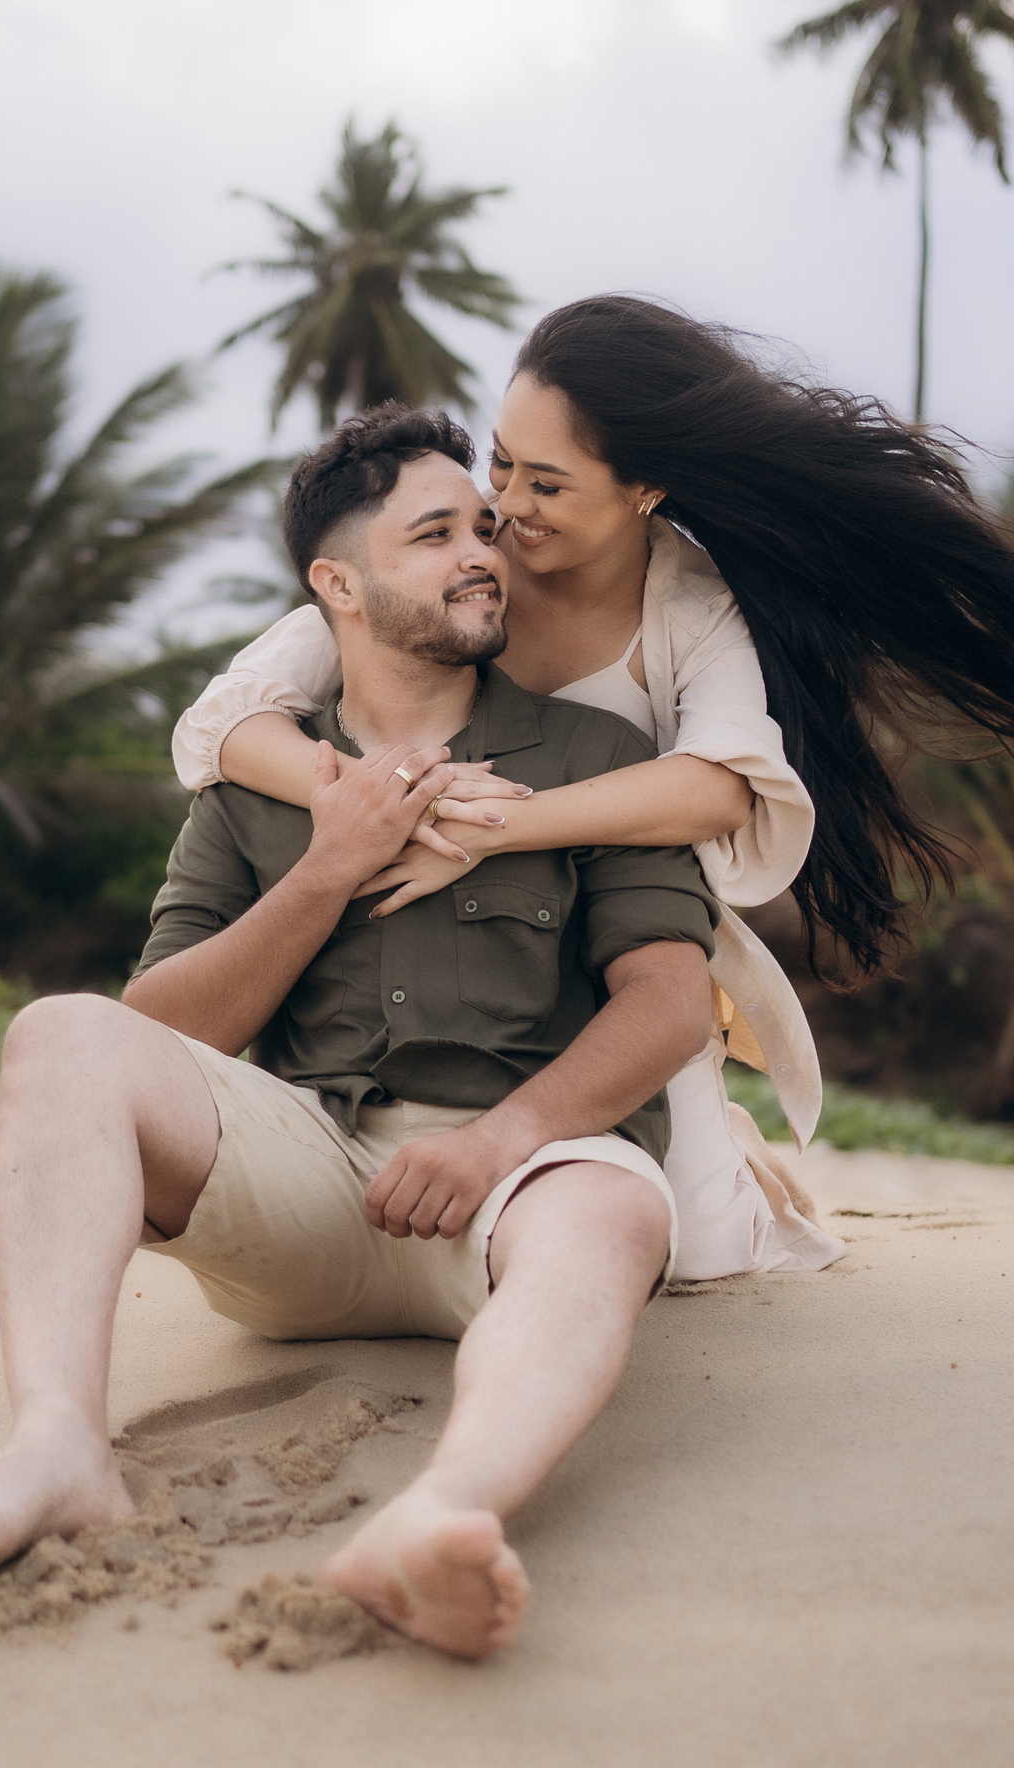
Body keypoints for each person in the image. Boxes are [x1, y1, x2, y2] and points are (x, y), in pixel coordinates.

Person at [0, 407, 722, 1660]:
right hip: (303, 1181)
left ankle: (445, 1509)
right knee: (60, 1034)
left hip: (512, 1191)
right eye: (432, 534)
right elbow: (156, 1028)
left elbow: (667, 1000)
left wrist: (500, 1141)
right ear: (338, 583)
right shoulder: (248, 788)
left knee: (612, 1208)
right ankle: (56, 1442)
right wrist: (325, 870)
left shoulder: (596, 758)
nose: (480, 553)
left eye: (481, 527)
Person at [173, 295, 1014, 1281]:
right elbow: (226, 723)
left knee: (697, 1253)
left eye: (548, 482)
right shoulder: (464, 575)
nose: (508, 506)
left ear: (642, 487)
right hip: (484, 942)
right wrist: (379, 799)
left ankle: (727, 1141)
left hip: (624, 927)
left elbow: (718, 790)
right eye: (501, 462)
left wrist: (499, 827)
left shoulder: (688, 599)